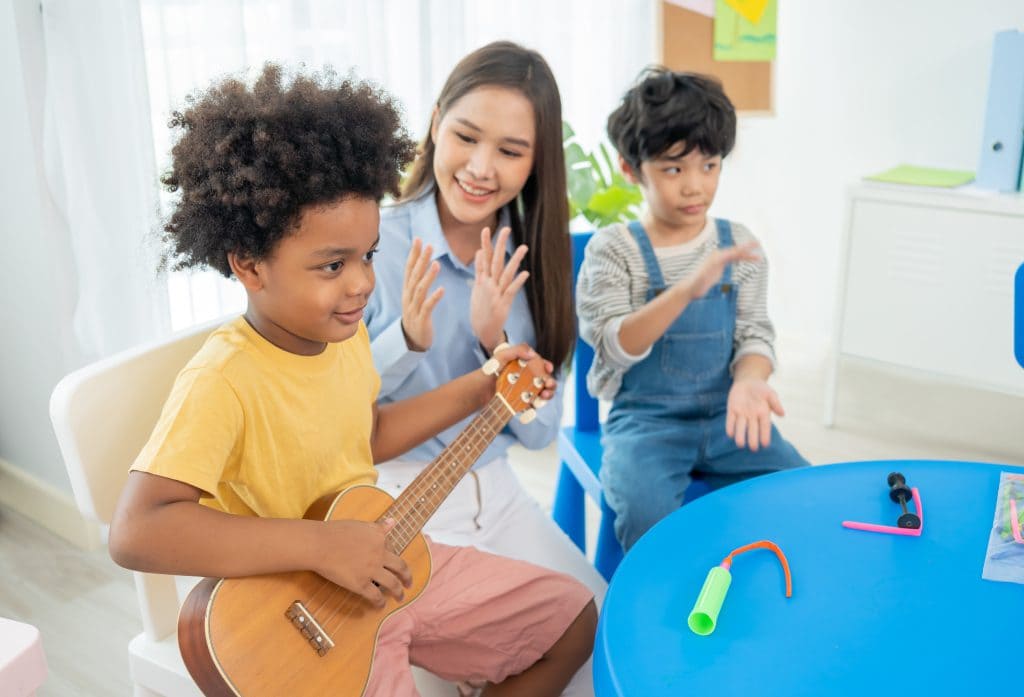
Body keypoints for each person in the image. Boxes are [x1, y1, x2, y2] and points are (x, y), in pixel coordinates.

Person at [107, 64, 595, 697]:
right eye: (333, 264)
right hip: (300, 614)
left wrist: (482, 386)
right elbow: (136, 530)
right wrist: (320, 546)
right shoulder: (222, 380)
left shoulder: (343, 335)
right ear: (249, 265)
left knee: (570, 620)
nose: (364, 282)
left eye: (367, 255)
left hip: (377, 568)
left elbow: (368, 433)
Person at [365, 43, 606, 606]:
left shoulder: (536, 265)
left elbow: (540, 431)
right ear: (435, 125)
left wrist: (493, 343)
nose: (480, 168)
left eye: (510, 151)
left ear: (536, 162)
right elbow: (347, 420)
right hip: (395, 503)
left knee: (598, 622)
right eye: (466, 137)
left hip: (497, 494)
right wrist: (407, 339)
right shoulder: (373, 241)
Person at [576, 68, 810, 551]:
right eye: (673, 169)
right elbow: (615, 345)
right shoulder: (613, 251)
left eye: (710, 166)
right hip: (645, 425)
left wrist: (750, 380)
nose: (695, 187)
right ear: (630, 168)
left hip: (730, 418)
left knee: (802, 494)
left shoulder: (737, 243)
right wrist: (686, 288)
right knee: (646, 515)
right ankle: (661, 608)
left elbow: (755, 335)